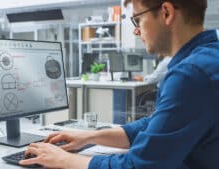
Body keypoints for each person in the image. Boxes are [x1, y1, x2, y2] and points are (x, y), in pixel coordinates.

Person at [20, 0, 219, 168]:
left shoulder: (191, 75)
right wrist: (89, 137)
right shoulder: (208, 58)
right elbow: (156, 126)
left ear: (166, 12)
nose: (136, 30)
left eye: (138, 19)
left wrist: (65, 160)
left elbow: (140, 165)